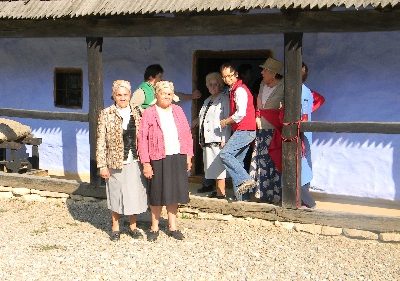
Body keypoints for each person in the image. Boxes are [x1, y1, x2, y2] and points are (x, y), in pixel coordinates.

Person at [138, 80, 193, 241]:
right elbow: (142, 139)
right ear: (157, 95)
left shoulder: (178, 111)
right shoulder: (149, 112)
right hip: (157, 157)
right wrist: (146, 163)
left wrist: (189, 156)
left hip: (177, 155)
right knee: (157, 193)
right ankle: (154, 227)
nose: (167, 96)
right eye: (163, 93)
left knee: (174, 192)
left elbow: (187, 135)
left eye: (169, 94)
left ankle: (173, 226)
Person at [96, 80, 148, 241]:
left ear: (130, 95)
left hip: (135, 159)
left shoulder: (138, 112)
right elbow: (100, 141)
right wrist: (102, 165)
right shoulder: (106, 114)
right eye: (119, 95)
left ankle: (133, 226)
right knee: (116, 193)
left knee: (134, 193)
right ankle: (115, 227)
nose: (123, 98)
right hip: (115, 160)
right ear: (114, 96)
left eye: (125, 94)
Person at [249, 58, 284, 204]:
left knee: (273, 162)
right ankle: (261, 193)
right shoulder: (263, 85)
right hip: (261, 130)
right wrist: (257, 116)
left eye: (265, 70)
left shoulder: (284, 87)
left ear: (274, 73)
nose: (262, 72)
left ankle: (275, 195)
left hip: (274, 130)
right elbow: (259, 105)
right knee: (261, 162)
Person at [219, 63, 256, 201]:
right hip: (243, 130)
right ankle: (242, 199)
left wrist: (226, 121)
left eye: (229, 76)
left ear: (236, 75)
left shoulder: (240, 90)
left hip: (245, 130)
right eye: (224, 77)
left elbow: (240, 114)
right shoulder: (232, 90)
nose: (227, 79)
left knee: (225, 154)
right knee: (238, 163)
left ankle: (246, 179)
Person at [198, 72, 231, 199]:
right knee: (212, 166)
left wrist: (225, 138)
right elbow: (203, 120)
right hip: (207, 138)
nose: (212, 87)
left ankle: (220, 193)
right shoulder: (207, 100)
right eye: (210, 84)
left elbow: (226, 120)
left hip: (218, 138)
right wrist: (201, 138)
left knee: (219, 167)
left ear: (220, 85)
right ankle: (217, 191)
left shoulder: (224, 99)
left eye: (215, 84)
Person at [130, 64, 201, 110]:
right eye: (160, 76)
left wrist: (192, 96)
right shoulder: (141, 91)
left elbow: (176, 95)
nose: (161, 79)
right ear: (151, 77)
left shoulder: (158, 89)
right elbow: (133, 110)